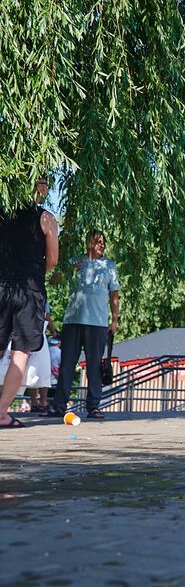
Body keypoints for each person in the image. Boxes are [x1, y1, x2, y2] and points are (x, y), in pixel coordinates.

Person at [0, 177, 59, 428]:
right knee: (21, 353)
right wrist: (36, 272)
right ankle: (2, 413)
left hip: (2, 286)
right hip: (30, 290)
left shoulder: (3, 214)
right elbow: (53, 261)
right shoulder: (46, 218)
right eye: (42, 182)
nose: (46, 188)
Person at [50, 230, 118, 420]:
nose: (101, 245)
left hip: (97, 323)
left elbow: (114, 295)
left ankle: (94, 406)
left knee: (94, 365)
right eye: (98, 242)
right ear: (89, 243)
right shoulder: (75, 261)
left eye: (103, 242)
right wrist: (68, 270)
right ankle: (59, 405)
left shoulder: (109, 266)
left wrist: (114, 319)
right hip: (72, 320)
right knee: (67, 364)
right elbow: (54, 281)